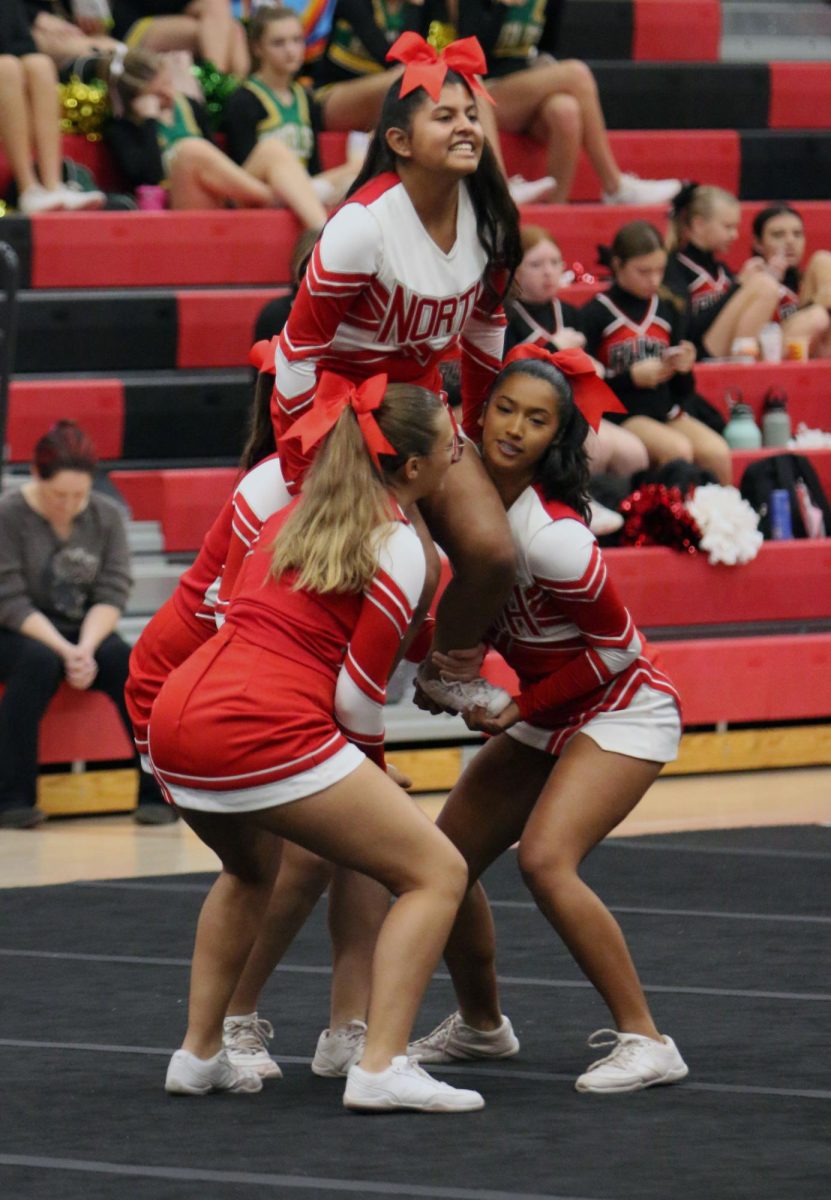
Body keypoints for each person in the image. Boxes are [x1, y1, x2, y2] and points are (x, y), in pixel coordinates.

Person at [148, 373, 486, 1114]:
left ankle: (198, 1054)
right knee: (434, 871)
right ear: (410, 469)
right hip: (258, 723)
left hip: (176, 720)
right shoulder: (398, 546)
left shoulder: (290, 513)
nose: (459, 451)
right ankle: (380, 1063)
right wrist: (370, 777)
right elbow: (356, 697)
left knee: (247, 872)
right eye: (449, 445)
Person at [408, 346, 690, 1094]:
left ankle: (646, 1039)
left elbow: (621, 651)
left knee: (544, 858)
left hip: (623, 707)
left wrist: (516, 706)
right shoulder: (450, 503)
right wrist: (439, 673)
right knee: (441, 862)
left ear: (555, 438)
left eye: (536, 420)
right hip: (548, 706)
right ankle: (479, 1027)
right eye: (504, 409)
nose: (512, 429)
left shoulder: (556, 540)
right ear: (479, 413)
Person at [274, 31, 523, 715]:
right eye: (444, 115)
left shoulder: (492, 221)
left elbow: (484, 330)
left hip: (419, 403)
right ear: (399, 141)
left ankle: (446, 669)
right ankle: (345, 711)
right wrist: (299, 461)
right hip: (341, 406)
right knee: (416, 569)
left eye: (471, 113)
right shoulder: (359, 227)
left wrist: (470, 425)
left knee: (493, 553)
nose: (466, 125)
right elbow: (297, 349)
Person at [0, 421, 169, 829]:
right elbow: (9, 598)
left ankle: (156, 794)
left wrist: (85, 649)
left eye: (79, 495)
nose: (69, 505)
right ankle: (13, 799)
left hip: (85, 630)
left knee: (130, 668)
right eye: (59, 495)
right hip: (20, 630)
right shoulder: (9, 514)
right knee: (36, 662)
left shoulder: (106, 515)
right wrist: (64, 650)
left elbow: (112, 592)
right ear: (38, 477)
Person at [312, 2, 554, 204]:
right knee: (408, 73)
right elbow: (391, 54)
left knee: (466, 78)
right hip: (337, 96)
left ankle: (498, 186)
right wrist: (412, 7)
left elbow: (444, 45)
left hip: (390, 98)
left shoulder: (428, 4)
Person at [447, 0, 680, 206]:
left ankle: (556, 209)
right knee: (577, 73)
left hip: (524, 84)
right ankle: (614, 185)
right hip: (483, 87)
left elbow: (547, 45)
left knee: (566, 111)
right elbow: (469, 48)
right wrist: (501, 7)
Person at [580, 220, 731, 484]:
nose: (653, 280)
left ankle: (726, 519)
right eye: (643, 271)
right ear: (617, 265)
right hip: (622, 414)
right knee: (676, 449)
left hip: (665, 410)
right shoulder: (595, 313)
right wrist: (630, 378)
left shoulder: (668, 308)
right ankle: (673, 521)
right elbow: (583, 389)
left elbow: (684, 391)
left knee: (717, 451)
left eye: (659, 270)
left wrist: (683, 368)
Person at [103, 45, 328, 220]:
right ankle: (279, 195)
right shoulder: (122, 130)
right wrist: (149, 122)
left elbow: (217, 158)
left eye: (169, 83)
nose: (170, 93)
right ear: (137, 95)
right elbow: (148, 177)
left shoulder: (188, 105)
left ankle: (321, 233)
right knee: (190, 150)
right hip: (176, 205)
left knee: (272, 149)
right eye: (160, 89)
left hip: (220, 195)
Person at [506, 224, 649, 484]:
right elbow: (506, 373)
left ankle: (622, 509)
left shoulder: (571, 313)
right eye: (535, 265)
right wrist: (553, 350)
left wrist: (595, 368)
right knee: (597, 448)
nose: (548, 272)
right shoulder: (508, 317)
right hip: (530, 413)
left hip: (575, 409)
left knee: (634, 454)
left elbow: (596, 374)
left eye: (555, 263)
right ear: (514, 271)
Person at [224, 6, 363, 219]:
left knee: (356, 174)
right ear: (257, 48)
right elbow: (243, 171)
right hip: (259, 195)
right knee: (273, 150)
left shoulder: (305, 98)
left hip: (304, 193)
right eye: (278, 43)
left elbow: (315, 168)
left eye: (297, 40)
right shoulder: (243, 99)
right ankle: (321, 237)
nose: (291, 50)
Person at [0, 0, 105, 212]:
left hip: (12, 44)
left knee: (41, 65)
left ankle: (52, 184)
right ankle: (28, 187)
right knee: (6, 69)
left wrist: (38, 19)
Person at [663, 183, 782, 360]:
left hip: (724, 350)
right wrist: (738, 286)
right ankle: (744, 370)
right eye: (728, 227)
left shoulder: (721, 270)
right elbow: (687, 330)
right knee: (764, 285)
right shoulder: (673, 267)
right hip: (696, 355)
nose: (735, 235)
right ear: (698, 224)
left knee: (816, 318)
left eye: (735, 227)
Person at [751, 204, 831, 359]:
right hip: (769, 355)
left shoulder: (809, 282)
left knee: (823, 261)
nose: (790, 241)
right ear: (758, 243)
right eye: (778, 235)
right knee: (817, 317)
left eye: (797, 234)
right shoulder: (752, 280)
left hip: (814, 352)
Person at [110, 0, 249, 76]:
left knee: (234, 29)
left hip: (177, 19)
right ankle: (216, 81)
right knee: (212, 33)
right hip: (135, 24)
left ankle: (231, 90)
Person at [24, 1, 121, 71]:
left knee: (119, 53)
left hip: (78, 36)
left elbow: (100, 30)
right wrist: (36, 17)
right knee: (116, 55)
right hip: (31, 30)